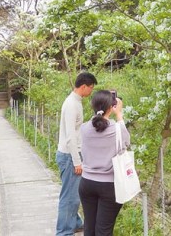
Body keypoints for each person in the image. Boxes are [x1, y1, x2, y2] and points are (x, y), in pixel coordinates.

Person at [79, 90, 130, 236]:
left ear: (92, 106)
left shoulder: (84, 128)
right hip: (109, 186)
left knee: (89, 227)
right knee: (103, 230)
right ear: (112, 107)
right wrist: (119, 114)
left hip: (86, 183)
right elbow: (126, 142)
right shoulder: (117, 129)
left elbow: (95, 123)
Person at [56, 72, 98, 236]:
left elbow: (76, 129)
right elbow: (70, 137)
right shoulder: (72, 105)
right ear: (83, 86)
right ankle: (64, 232)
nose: (91, 91)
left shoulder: (75, 102)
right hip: (69, 156)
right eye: (91, 88)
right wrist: (76, 162)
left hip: (70, 154)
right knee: (69, 197)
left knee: (75, 194)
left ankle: (75, 223)